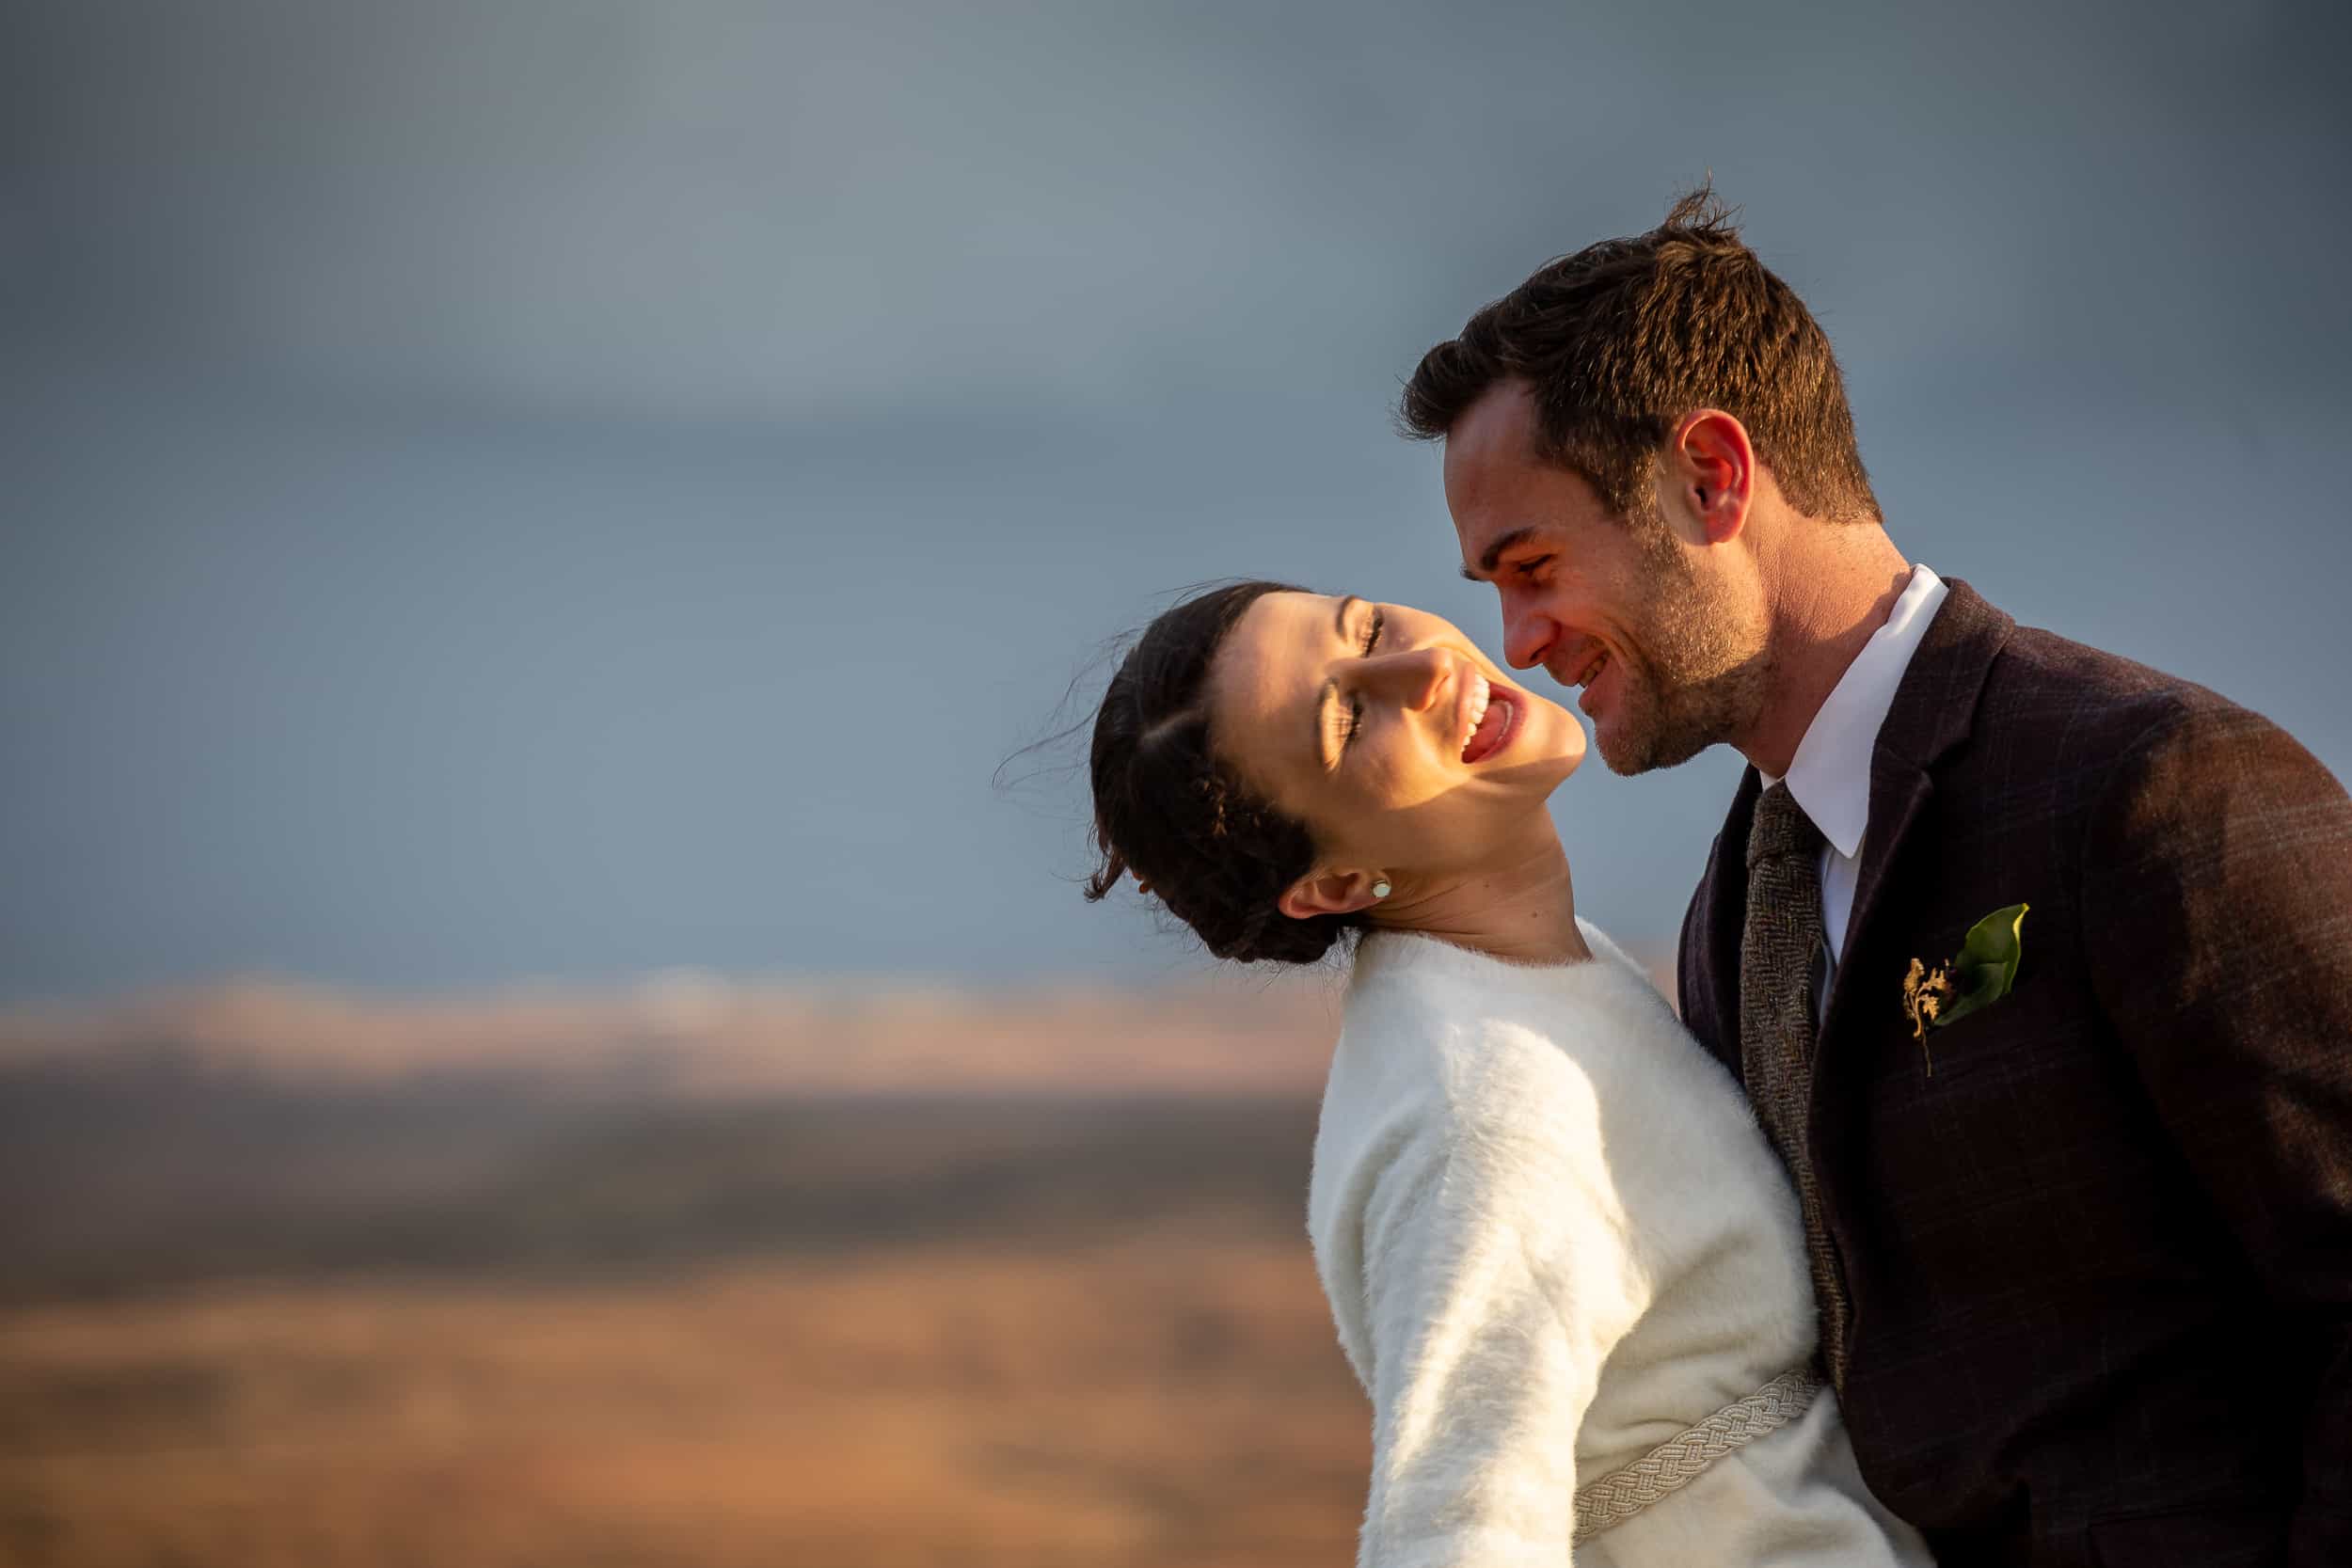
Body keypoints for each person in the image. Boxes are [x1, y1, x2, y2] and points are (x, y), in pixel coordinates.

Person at [1399, 190, 2352, 1567]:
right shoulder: (1734, 912)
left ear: (1712, 477)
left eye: (1534, 566)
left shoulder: (2158, 786)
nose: (1520, 638)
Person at [1085, 580, 1932, 1565]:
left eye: (1367, 626)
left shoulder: (1522, 985)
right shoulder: (1482, 1103)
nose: (1426, 669)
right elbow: (1454, 1527)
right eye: (1350, 717)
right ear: (1338, 883)